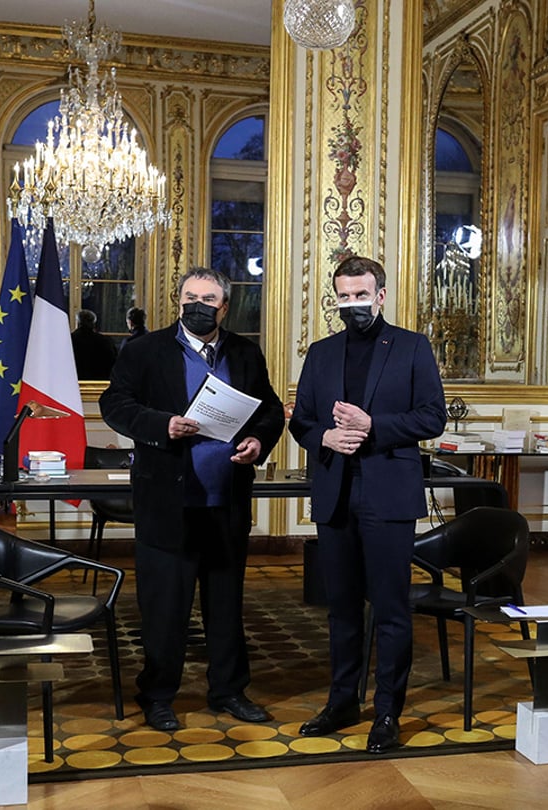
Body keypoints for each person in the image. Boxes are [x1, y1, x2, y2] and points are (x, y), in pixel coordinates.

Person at [99, 268, 285, 732]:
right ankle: (158, 694)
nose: (197, 305)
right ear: (178, 301)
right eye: (189, 297)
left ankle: (229, 691)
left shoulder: (245, 352)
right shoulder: (144, 350)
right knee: (165, 609)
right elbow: (115, 404)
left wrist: (259, 443)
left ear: (225, 307)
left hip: (226, 501)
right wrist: (163, 424)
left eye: (209, 298)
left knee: (226, 606)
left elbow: (268, 411)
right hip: (167, 502)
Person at [289, 255, 446, 754]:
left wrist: (373, 425)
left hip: (388, 494)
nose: (352, 304)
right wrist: (326, 438)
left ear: (380, 295)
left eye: (362, 295)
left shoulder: (412, 347)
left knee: (391, 609)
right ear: (335, 298)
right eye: (344, 295)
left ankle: (386, 713)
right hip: (335, 492)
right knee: (340, 609)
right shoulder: (320, 352)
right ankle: (341, 703)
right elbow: (302, 421)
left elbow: (432, 417)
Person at [71, 309, 118, 380]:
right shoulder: (105, 341)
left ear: (77, 323)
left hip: (73, 382)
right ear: (93, 324)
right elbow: (113, 363)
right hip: (100, 384)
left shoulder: (68, 340)